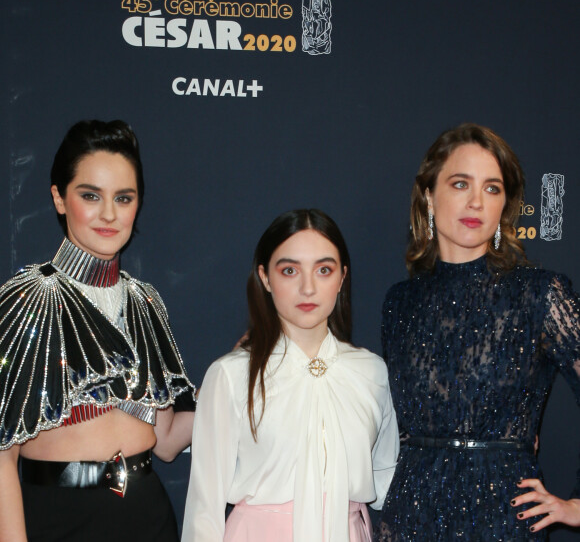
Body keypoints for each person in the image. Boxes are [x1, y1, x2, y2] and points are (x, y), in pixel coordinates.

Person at [374, 123, 580, 541]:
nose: (476, 201)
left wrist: (576, 505)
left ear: (505, 205)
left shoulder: (539, 294)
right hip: (411, 517)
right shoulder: (400, 302)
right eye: (460, 183)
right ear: (429, 195)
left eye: (492, 188)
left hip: (504, 520)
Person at [0, 120, 196, 542]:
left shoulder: (146, 302)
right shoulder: (24, 300)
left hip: (148, 514)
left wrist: (239, 376)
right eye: (91, 195)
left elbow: (164, 442)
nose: (109, 214)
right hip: (60, 518)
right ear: (58, 198)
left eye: (123, 198)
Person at [182, 209, 399, 542]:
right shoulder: (230, 375)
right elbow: (204, 507)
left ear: (342, 277)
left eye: (323, 270)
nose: (308, 288)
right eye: (289, 270)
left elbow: (390, 479)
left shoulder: (372, 372)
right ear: (265, 277)